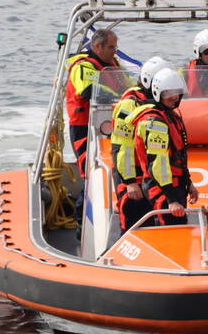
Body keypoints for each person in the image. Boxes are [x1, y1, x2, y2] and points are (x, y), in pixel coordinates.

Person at [110, 55, 170, 231]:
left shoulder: (160, 103)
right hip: (132, 174)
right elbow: (122, 147)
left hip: (150, 172)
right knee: (134, 222)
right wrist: (130, 182)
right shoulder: (129, 105)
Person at [132, 68, 199, 226]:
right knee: (169, 231)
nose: (174, 97)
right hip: (162, 189)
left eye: (177, 92)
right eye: (168, 93)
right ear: (158, 93)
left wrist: (189, 184)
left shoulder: (170, 115)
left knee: (180, 231)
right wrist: (172, 200)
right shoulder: (155, 122)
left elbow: (179, 157)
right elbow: (157, 163)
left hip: (176, 185)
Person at [65, 28, 122, 176]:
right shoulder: (82, 66)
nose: (114, 51)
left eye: (115, 47)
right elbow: (88, 91)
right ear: (98, 47)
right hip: (85, 126)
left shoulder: (114, 65)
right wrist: (119, 97)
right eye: (111, 47)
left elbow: (126, 85)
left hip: (112, 123)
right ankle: (84, 199)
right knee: (90, 172)